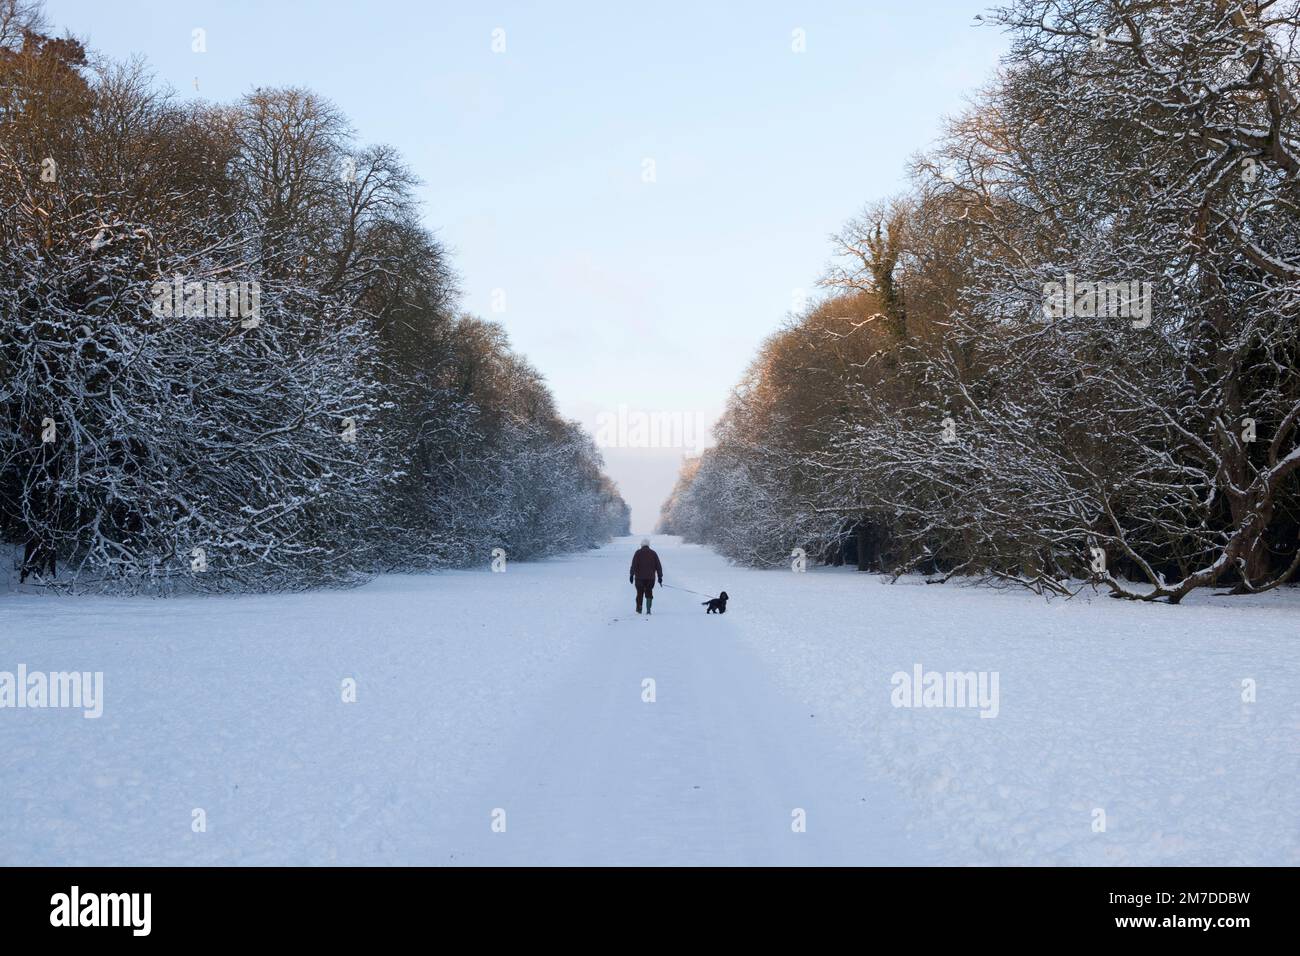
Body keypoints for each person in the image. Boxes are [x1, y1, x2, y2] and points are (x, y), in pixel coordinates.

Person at [628, 537, 663, 615]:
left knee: (639, 593)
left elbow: (634, 565)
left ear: (641, 545)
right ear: (648, 545)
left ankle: (639, 609)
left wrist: (631, 574)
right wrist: (660, 577)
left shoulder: (638, 553)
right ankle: (648, 609)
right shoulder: (653, 553)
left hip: (639, 578)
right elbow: (658, 566)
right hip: (650, 578)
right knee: (649, 592)